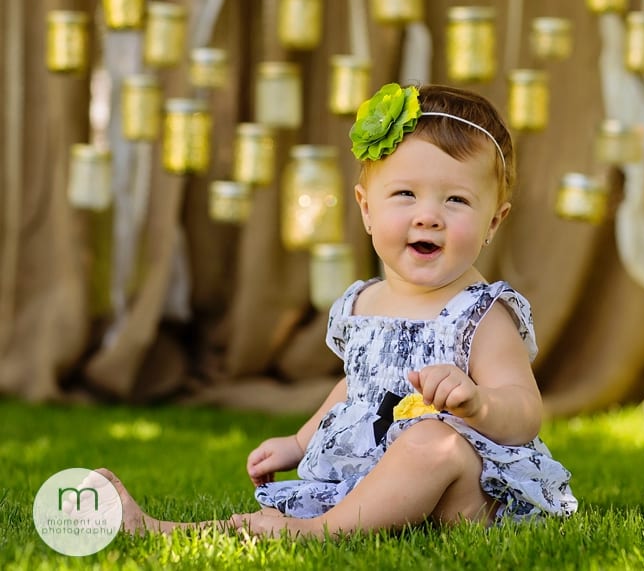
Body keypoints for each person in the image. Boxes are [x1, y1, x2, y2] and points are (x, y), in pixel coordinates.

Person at [100, 82, 578, 538]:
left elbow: (525, 408)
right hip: (370, 477)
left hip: (467, 493)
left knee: (434, 440)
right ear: (366, 209)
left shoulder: (482, 312)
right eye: (405, 194)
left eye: (456, 200)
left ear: (494, 220)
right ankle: (166, 530)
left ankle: (316, 535)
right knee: (284, 508)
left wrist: (480, 403)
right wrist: (299, 444)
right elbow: (356, 388)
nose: (428, 215)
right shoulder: (363, 302)